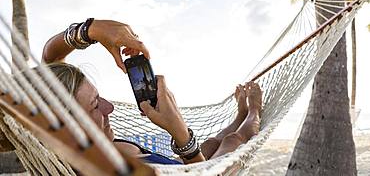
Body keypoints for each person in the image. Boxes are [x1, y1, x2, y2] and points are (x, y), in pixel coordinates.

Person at [41, 18, 262, 165]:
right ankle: (253, 110)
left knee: (213, 143)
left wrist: (91, 30)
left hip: (180, 165)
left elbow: (50, 59)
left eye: (99, 97)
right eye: (94, 104)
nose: (110, 107)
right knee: (232, 141)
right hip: (199, 170)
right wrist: (181, 133)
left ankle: (240, 114)